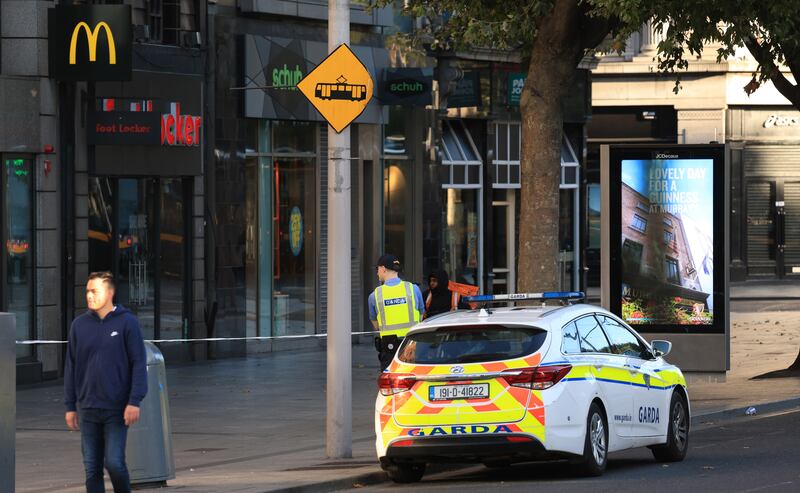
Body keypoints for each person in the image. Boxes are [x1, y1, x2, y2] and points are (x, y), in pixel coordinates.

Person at [64, 271, 148, 493]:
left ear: (110, 292)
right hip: (88, 408)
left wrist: (134, 401)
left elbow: (139, 363)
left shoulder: (127, 322)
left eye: (95, 291)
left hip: (116, 408)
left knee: (114, 463)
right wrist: (70, 406)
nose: (90, 296)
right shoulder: (78, 325)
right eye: (87, 291)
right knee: (92, 468)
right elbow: (71, 367)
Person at [368, 254, 424, 368]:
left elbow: (376, 326)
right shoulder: (413, 289)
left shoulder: (375, 296)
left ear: (383, 269)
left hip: (389, 349)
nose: (377, 272)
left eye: (377, 269)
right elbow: (421, 315)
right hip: (412, 345)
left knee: (390, 383)